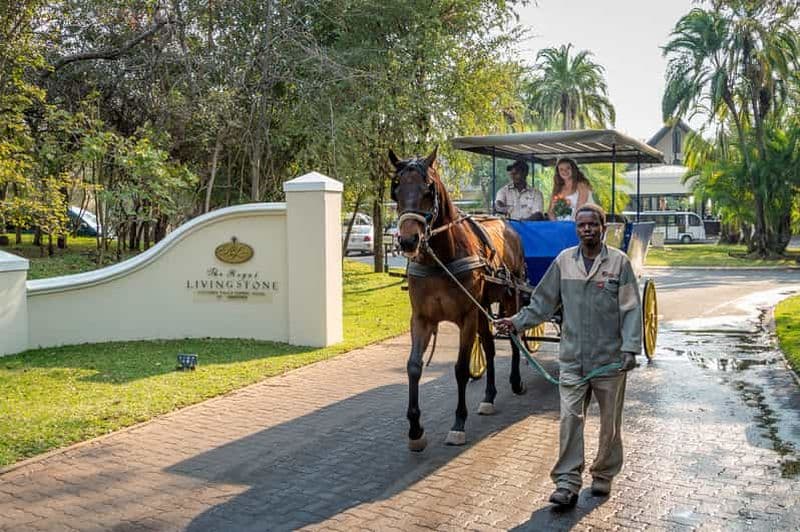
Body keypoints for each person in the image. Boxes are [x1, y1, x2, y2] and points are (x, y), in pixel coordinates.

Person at [494, 203, 641, 508]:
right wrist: (515, 322)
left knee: (610, 424)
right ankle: (567, 481)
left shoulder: (619, 263)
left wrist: (630, 348)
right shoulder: (563, 262)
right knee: (570, 420)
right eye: (581, 225)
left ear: (603, 228)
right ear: (576, 229)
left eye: (593, 224)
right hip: (573, 359)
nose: (587, 229)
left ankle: (603, 475)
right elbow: (541, 304)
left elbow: (630, 309)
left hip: (610, 361)